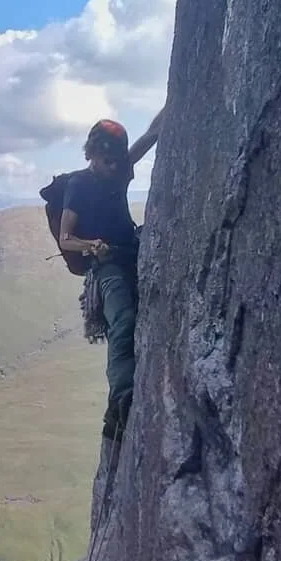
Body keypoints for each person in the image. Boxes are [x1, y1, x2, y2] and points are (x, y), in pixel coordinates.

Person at [58, 108, 164, 441]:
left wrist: (175, 98)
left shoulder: (120, 168)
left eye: (118, 161)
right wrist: (91, 245)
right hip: (106, 266)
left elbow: (151, 134)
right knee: (124, 320)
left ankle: (118, 406)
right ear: (92, 154)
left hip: (133, 253)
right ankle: (121, 405)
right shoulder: (79, 184)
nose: (116, 167)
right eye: (109, 161)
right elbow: (65, 238)